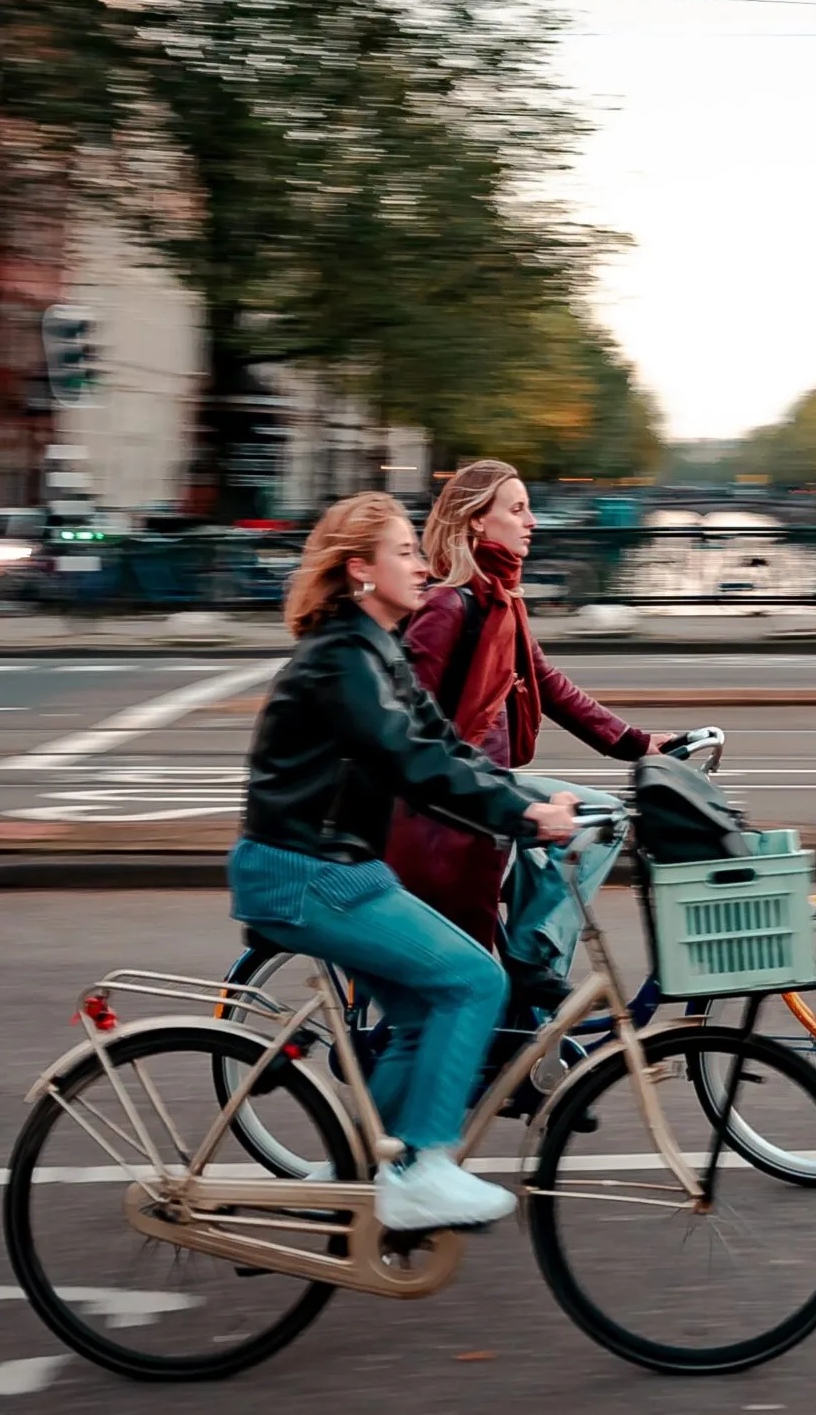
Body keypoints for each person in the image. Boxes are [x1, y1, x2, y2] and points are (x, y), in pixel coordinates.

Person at [230, 490, 581, 1232]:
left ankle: (358, 1173)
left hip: (340, 869)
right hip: (305, 874)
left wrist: (526, 804)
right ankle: (422, 1168)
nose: (424, 564)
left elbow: (447, 747)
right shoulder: (341, 658)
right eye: (404, 553)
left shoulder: (378, 649)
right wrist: (521, 815)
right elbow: (408, 760)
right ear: (360, 570)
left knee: (423, 1014)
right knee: (474, 981)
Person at [384, 460, 666, 1019]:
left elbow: (550, 687)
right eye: (516, 510)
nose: (532, 521)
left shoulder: (501, 600)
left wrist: (640, 743)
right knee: (600, 818)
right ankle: (530, 964)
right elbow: (407, 720)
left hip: (490, 782)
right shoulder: (449, 606)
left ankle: (529, 979)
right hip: (460, 797)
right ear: (475, 524)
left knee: (595, 824)